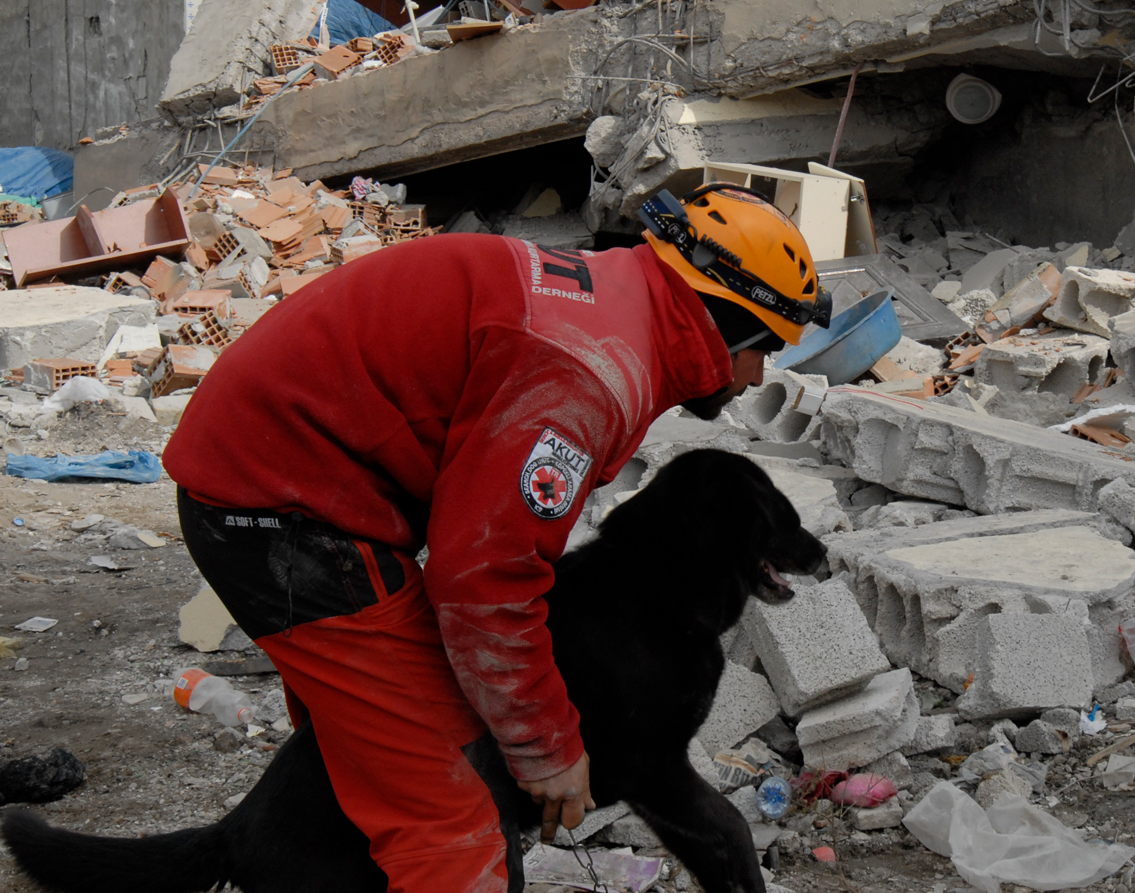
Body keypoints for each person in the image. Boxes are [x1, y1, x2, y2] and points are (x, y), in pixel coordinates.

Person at [162, 183, 830, 891]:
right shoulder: (589, 371)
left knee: (384, 763)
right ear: (726, 320)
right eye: (765, 347)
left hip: (288, 484)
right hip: (280, 512)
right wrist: (547, 747)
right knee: (458, 813)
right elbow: (484, 578)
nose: (757, 374)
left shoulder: (612, 305)